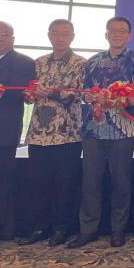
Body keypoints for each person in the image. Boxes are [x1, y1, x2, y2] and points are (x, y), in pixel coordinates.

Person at [67, 16, 134, 249]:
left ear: (129, 36)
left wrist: (125, 99)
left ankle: (118, 230)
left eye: (122, 31)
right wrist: (89, 96)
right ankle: (88, 229)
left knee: (121, 181)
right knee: (90, 182)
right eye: (113, 30)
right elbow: (83, 93)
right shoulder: (92, 62)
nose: (117, 34)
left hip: (121, 130)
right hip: (93, 130)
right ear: (106, 35)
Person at [19, 19, 86, 247]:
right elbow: (28, 96)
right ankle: (39, 227)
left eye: (65, 34)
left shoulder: (80, 63)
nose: (60, 38)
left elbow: (78, 93)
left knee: (65, 185)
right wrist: (31, 93)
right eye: (55, 33)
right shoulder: (38, 63)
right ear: (49, 36)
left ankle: (62, 228)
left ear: (72, 36)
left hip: (67, 134)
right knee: (38, 184)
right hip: (38, 134)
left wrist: (50, 92)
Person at [0, 21, 36, 249]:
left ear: (13, 39)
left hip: (2, 134)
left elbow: (19, 94)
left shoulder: (24, 63)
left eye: (4, 34)